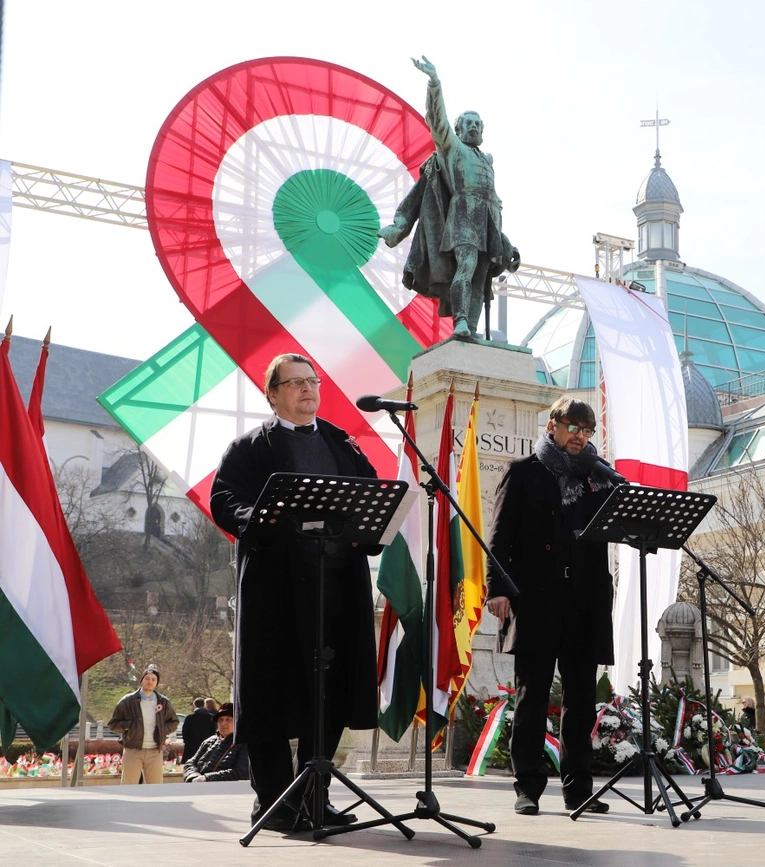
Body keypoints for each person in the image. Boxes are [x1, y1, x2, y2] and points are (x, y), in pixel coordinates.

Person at [210, 353, 380, 831]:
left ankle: (313, 797)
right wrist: (260, 518)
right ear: (273, 394)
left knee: (331, 693)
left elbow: (371, 495)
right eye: (296, 383)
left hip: (336, 589)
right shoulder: (249, 448)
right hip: (276, 594)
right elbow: (225, 500)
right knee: (270, 692)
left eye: (313, 381)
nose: (308, 389)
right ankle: (275, 804)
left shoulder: (341, 442)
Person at [484, 397, 621, 816]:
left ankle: (578, 790)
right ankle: (527, 787)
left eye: (587, 430)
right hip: (537, 601)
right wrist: (497, 589)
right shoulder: (523, 472)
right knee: (532, 698)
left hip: (584, 602)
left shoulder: (599, 478)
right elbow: (499, 536)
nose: (580, 436)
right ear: (552, 426)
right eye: (572, 427)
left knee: (581, 701)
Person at [379, 55, 520, 339]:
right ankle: (461, 321)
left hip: (489, 219)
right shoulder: (452, 149)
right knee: (466, 266)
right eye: (468, 123)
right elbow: (437, 120)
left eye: (477, 124)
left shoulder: (487, 160)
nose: (473, 127)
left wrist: (505, 240)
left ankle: (471, 329)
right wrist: (434, 83)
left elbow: (494, 199)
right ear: (458, 130)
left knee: (481, 278)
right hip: (462, 216)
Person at [108, 664, 178, 785]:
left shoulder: (163, 702)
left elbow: (174, 722)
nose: (150, 682)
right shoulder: (128, 701)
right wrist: (130, 725)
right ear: (141, 680)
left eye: (153, 680)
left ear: (157, 683)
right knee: (128, 786)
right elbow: (113, 724)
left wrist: (162, 730)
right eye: (147, 678)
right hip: (132, 750)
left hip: (155, 751)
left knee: (155, 788)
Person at [184, 703, 250, 783]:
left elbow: (242, 772)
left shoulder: (243, 743)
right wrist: (194, 776)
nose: (223, 723)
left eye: (228, 719)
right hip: (199, 786)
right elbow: (190, 763)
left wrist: (208, 778)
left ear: (237, 722)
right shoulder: (209, 742)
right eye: (220, 720)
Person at [181, 697, 215, 764]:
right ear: (204, 705)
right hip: (207, 745)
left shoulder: (190, 717)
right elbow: (213, 732)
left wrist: (186, 741)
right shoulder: (211, 717)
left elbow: (185, 731)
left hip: (191, 745)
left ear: (195, 705)